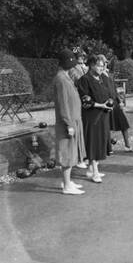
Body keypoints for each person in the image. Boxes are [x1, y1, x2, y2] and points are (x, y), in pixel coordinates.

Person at [52, 49, 87, 195]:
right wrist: (69, 124)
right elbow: (63, 104)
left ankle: (67, 181)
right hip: (68, 121)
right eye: (71, 64)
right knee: (67, 153)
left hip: (74, 119)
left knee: (72, 152)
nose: (73, 67)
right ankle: (66, 185)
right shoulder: (61, 79)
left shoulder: (65, 77)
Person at [77, 55, 112, 183]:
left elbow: (110, 93)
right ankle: (95, 172)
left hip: (103, 115)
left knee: (100, 141)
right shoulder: (84, 79)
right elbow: (84, 99)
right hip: (91, 116)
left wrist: (109, 103)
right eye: (98, 65)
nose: (101, 68)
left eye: (103, 65)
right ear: (91, 65)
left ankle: (91, 169)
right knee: (93, 142)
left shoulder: (103, 78)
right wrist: (99, 105)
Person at [98, 54, 133, 153]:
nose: (105, 64)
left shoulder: (109, 75)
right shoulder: (99, 76)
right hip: (107, 104)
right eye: (103, 63)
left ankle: (127, 146)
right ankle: (108, 148)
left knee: (124, 124)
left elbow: (115, 90)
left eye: (106, 62)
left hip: (115, 103)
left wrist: (120, 101)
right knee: (107, 127)